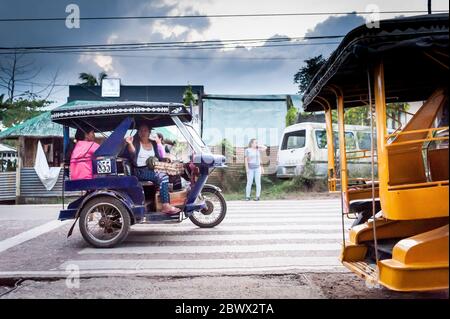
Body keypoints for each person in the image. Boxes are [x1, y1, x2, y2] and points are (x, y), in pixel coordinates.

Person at [125, 124, 180, 214]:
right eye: (141, 130)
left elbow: (158, 157)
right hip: (140, 171)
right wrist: (130, 143)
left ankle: (171, 201)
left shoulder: (153, 143)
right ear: (138, 133)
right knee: (163, 177)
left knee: (173, 174)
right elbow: (132, 153)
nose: (143, 132)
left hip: (152, 169)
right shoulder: (135, 142)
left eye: (145, 130)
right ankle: (165, 205)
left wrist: (166, 159)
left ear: (149, 132)